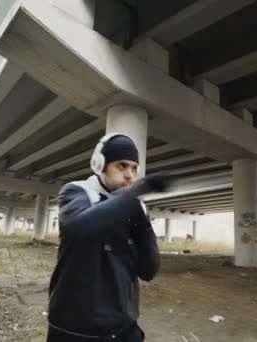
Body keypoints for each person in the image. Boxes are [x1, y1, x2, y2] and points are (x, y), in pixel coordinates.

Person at [46, 133, 169, 341]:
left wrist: (142, 219)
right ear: (100, 164)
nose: (130, 175)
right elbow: (80, 229)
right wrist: (138, 191)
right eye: (121, 166)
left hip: (124, 327)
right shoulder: (78, 192)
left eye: (134, 168)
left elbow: (148, 270)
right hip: (75, 329)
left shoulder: (133, 206)